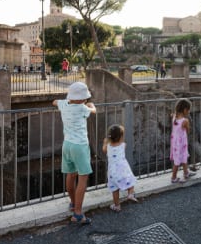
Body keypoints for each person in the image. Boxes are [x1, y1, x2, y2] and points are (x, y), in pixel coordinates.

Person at [52, 82, 97, 225]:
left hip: (67, 144)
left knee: (71, 175)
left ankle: (73, 203)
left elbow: (54, 102)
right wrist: (91, 105)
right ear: (82, 98)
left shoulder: (64, 104)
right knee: (83, 178)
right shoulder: (82, 108)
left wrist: (66, 101)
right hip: (80, 146)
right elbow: (94, 111)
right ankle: (78, 213)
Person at [103, 124, 138, 212]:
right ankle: (130, 194)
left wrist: (105, 142)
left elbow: (104, 150)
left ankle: (117, 206)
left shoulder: (107, 146)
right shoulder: (123, 145)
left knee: (115, 189)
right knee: (130, 180)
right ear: (121, 137)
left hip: (113, 171)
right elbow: (121, 144)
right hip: (123, 169)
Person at [170, 98, 195, 183]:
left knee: (183, 157)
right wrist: (188, 126)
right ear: (185, 110)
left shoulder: (174, 117)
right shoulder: (185, 121)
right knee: (177, 161)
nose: (188, 112)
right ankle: (173, 177)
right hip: (181, 143)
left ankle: (186, 172)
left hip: (175, 142)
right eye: (188, 110)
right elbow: (188, 131)